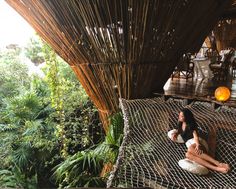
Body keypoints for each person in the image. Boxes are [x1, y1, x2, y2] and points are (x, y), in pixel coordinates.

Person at [170, 108, 230, 174]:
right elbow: (179, 131)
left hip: (198, 142)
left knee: (190, 149)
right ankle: (216, 168)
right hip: (190, 145)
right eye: (180, 115)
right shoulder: (180, 123)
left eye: (182, 116)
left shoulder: (191, 125)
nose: (179, 117)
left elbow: (195, 136)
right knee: (187, 154)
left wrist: (198, 145)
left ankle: (218, 163)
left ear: (187, 117)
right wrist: (176, 133)